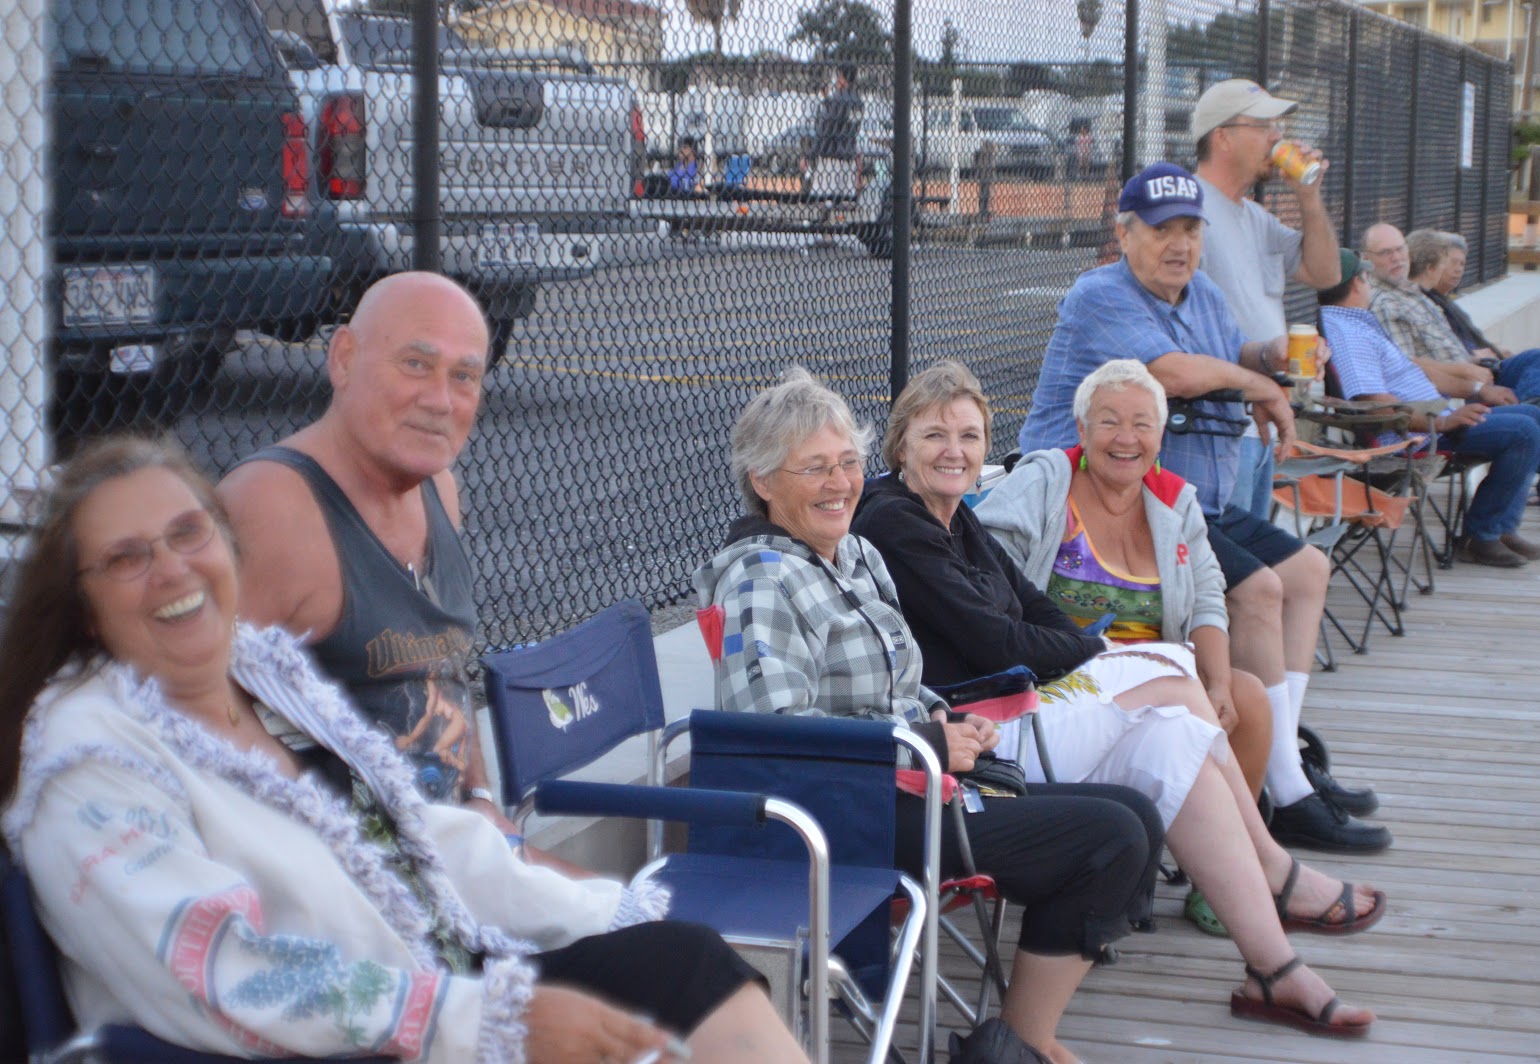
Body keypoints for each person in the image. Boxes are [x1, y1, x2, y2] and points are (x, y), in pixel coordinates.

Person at [0, 436, 808, 1064]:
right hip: (323, 1042)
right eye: (127, 557)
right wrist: (492, 1020)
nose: (172, 569)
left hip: (423, 995)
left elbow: (417, 836)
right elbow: (216, 970)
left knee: (680, 962)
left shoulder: (258, 673)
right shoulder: (87, 755)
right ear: (82, 605)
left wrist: (607, 910)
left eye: (188, 532)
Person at [697, 370, 1166, 1062]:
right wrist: (922, 741)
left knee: (1137, 814)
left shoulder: (853, 552)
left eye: (849, 463)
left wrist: (949, 720)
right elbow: (776, 739)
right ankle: (1018, 1042)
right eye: (815, 468)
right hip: (841, 814)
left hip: (909, 784)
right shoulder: (762, 578)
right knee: (1110, 839)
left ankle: (1014, 1035)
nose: (840, 483)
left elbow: (900, 683)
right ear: (764, 482)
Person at [857, 361, 1388, 971]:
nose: (955, 451)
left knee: (1179, 721)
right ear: (901, 444)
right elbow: (999, 640)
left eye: (970, 437)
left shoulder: (955, 516)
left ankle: (1275, 964)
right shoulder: (895, 519)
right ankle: (1272, 864)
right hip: (973, 736)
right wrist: (1095, 649)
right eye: (934, 436)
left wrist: (1087, 646)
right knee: (1166, 672)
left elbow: (1035, 610)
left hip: (1019, 704)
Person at [1018, 162, 1390, 854]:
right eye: (1163, 232)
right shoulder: (1101, 294)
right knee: (1258, 590)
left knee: (1307, 570)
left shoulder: (1205, 293)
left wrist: (1267, 355)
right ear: (1124, 234)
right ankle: (1287, 791)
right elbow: (1173, 372)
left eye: (1191, 229)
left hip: (1187, 501)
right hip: (1107, 504)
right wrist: (1256, 384)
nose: (1180, 244)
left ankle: (1279, 764)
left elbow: (1224, 354)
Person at [218, 273, 508, 829]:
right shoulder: (274, 507)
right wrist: (339, 841)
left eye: (465, 375)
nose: (440, 400)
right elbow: (199, 705)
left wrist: (482, 801)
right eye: (415, 365)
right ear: (344, 359)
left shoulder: (438, 489)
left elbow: (444, 678)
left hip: (449, 854)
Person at [1319, 248, 1540, 565]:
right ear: (1359, 282)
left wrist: (1479, 390)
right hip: (1415, 436)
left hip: (1434, 418)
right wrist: (1441, 423)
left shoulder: (1358, 323)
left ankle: (1498, 528)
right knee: (1526, 427)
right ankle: (1482, 534)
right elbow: (1375, 405)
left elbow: (1409, 373)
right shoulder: (1347, 332)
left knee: (1533, 416)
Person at [1192, 78, 1342, 520]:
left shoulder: (1254, 215)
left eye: (1278, 126)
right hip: (1215, 425)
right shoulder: (1188, 209)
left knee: (1252, 559)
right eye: (1264, 126)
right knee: (1231, 570)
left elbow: (1325, 273)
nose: (1278, 137)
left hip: (1261, 420)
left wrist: (1309, 198)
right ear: (1223, 137)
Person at [1417, 228, 1540, 494]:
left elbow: (1459, 343)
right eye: (1451, 263)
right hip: (1463, 384)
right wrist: (1473, 363)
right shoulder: (1417, 302)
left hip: (1479, 372)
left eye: (1462, 264)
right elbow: (1423, 360)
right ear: (1431, 264)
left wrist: (1490, 353)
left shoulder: (1436, 301)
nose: (1457, 270)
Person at [1363, 224, 1540, 431]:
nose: (1396, 258)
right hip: (1452, 391)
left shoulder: (1411, 293)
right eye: (1385, 253)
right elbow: (1405, 365)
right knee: (1529, 423)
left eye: (1400, 249)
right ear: (1366, 259)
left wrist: (1472, 361)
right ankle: (1538, 414)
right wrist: (1467, 373)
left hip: (1474, 372)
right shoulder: (1385, 303)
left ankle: (1537, 409)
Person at [807, 64, 862, 204]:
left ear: (843, 78)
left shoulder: (837, 99)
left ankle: (815, 224)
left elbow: (824, 129)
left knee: (822, 201)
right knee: (844, 203)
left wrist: (811, 155)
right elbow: (847, 124)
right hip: (848, 157)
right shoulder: (858, 102)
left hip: (830, 157)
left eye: (839, 77)